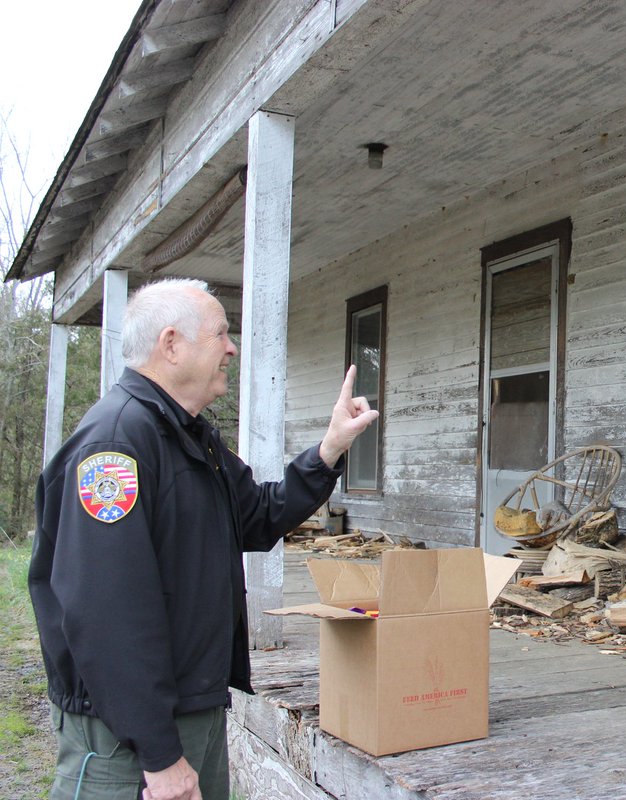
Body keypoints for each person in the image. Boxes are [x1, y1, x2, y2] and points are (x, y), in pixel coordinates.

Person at [29, 278, 378, 800]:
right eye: (221, 334)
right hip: (130, 742)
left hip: (192, 712)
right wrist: (161, 754)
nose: (232, 348)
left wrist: (329, 449)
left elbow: (259, 516)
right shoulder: (115, 445)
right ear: (171, 345)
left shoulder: (191, 437)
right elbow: (106, 611)